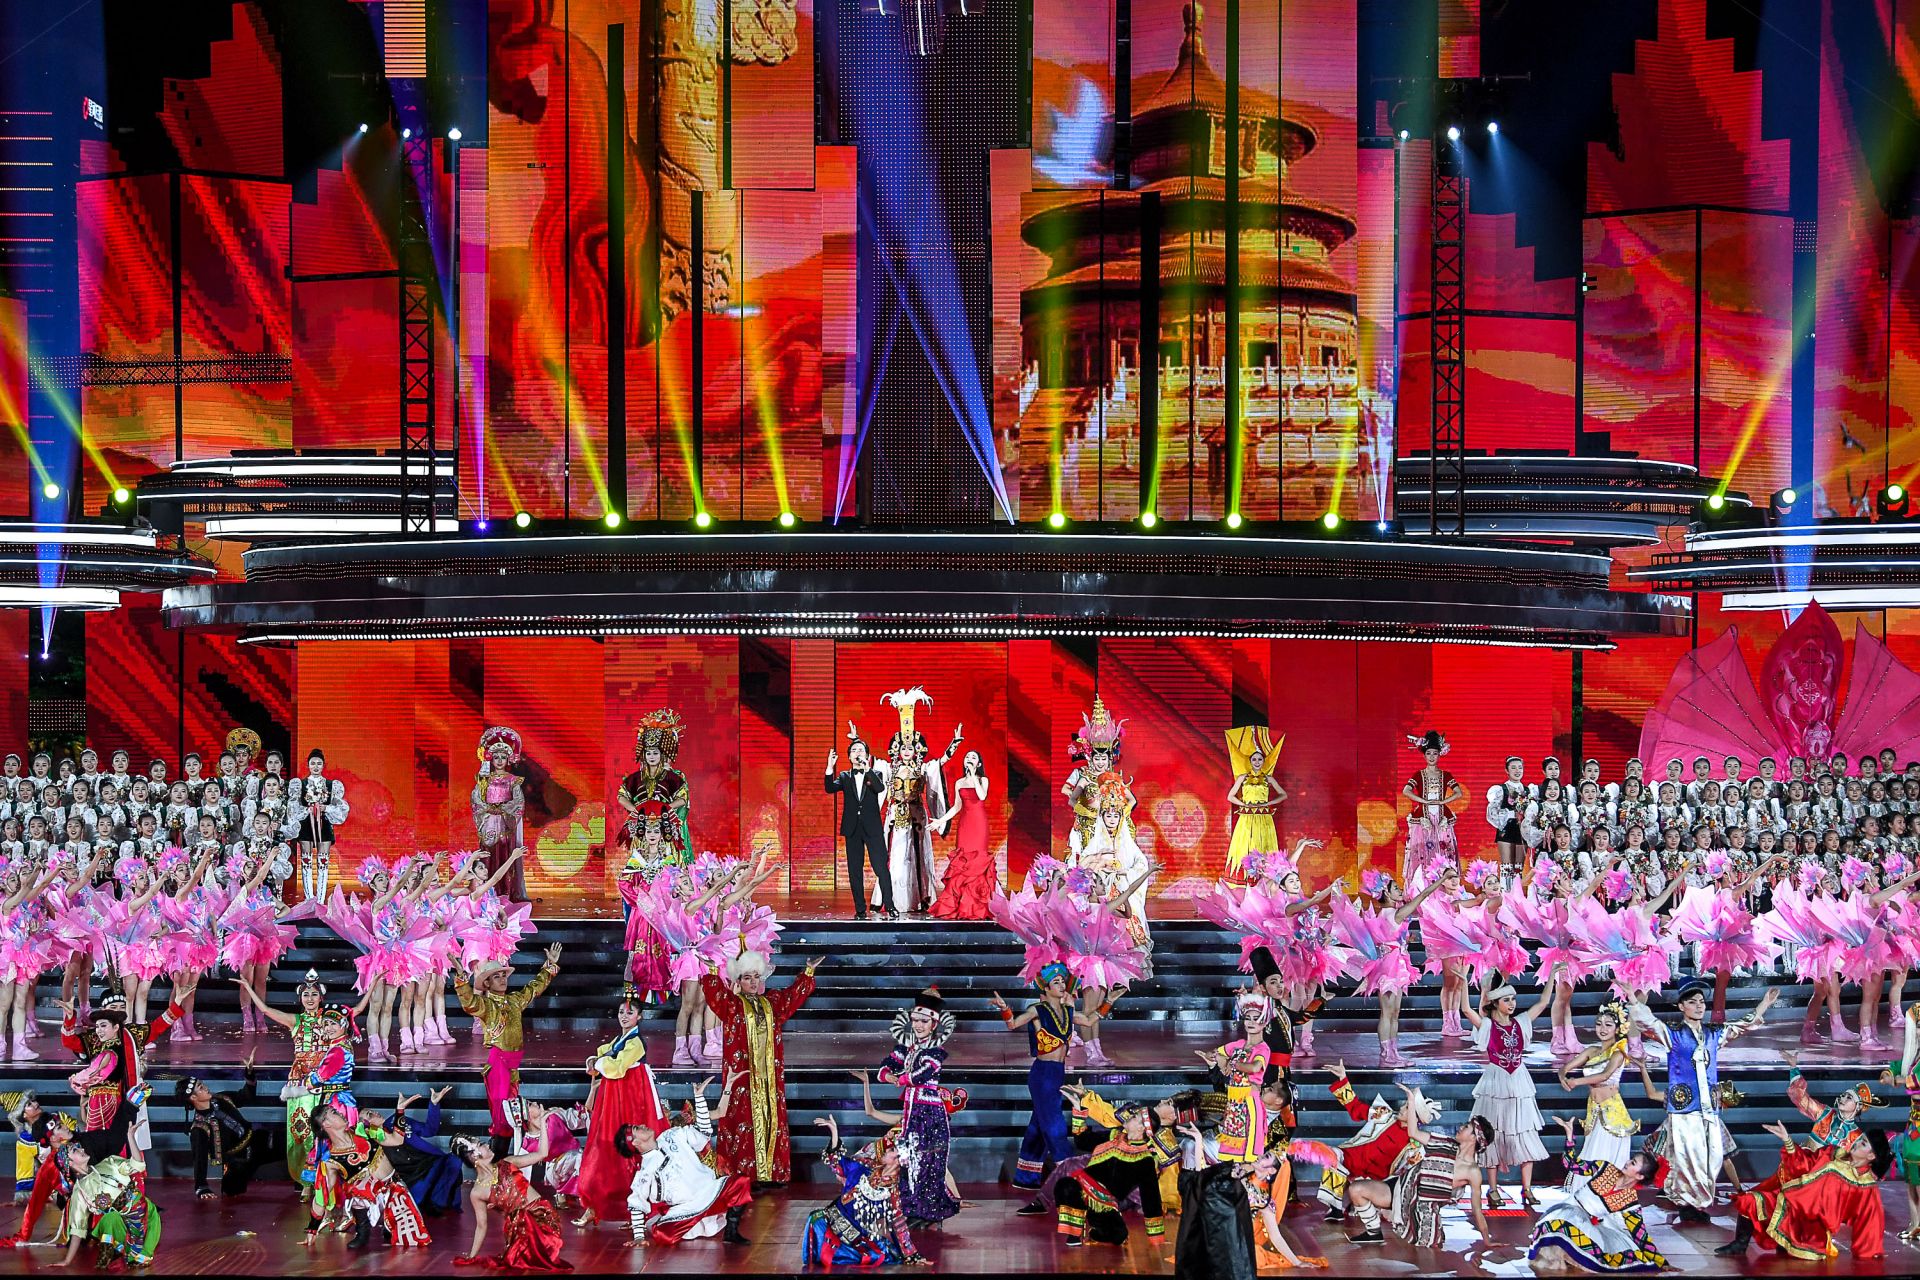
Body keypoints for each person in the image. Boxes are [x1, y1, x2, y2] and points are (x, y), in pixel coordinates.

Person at [1629, 978, 1779, 1221]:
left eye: (1701, 1002)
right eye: (1692, 1002)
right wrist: (1634, 1001)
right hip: (1684, 1109)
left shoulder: (1713, 1034)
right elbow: (1649, 1023)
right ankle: (1689, 1204)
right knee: (1687, 1159)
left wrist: (1764, 1004)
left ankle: (1699, 1201)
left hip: (1709, 1108)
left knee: (1713, 1158)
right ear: (1681, 1006)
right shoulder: (1673, 1034)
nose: (1699, 1006)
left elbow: (1740, 1026)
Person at [700, 947, 821, 1185]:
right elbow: (715, 994)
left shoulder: (771, 1003)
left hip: (769, 1077)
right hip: (743, 1076)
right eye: (748, 978)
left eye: (756, 977)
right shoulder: (732, 1005)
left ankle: (771, 1173)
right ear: (738, 980)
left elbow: (792, 997)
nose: (753, 982)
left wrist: (808, 972)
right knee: (741, 1121)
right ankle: (743, 1176)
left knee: (771, 1120)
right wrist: (712, 971)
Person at [990, 962, 1105, 1190]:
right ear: (1046, 988)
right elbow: (1013, 1024)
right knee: (1055, 1126)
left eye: (1062, 981)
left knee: (1038, 1125)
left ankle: (1026, 1177)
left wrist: (1110, 1000)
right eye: (1056, 982)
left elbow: (1090, 1020)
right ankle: (1072, 1175)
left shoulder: (1067, 1011)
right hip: (1042, 1075)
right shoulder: (1037, 1010)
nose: (1061, 985)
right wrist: (1004, 1008)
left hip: (1057, 1073)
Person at [1716, 1120, 1890, 1259]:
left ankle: (1785, 1244)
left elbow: (1871, 1219)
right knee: (1749, 1200)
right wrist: (1787, 1140)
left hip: (1811, 1229)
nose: (1856, 1143)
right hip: (1789, 1203)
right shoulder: (1832, 1153)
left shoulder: (1863, 1185)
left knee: (1787, 1262)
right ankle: (1740, 1245)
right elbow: (1804, 1165)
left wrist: (1868, 1251)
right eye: (1859, 1139)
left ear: (1871, 1155)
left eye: (1863, 1143)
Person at [1345, 1090, 1493, 1249]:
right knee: (1356, 1189)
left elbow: (1477, 1209)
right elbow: (1413, 1132)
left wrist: (1487, 1240)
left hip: (1424, 1210)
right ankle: (1374, 1232)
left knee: (1425, 1253)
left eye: (1466, 1127)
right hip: (1400, 1190)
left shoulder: (1472, 1171)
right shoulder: (1444, 1142)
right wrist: (1411, 1100)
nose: (1461, 1127)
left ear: (1474, 1137)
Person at [619, 1073, 752, 1246]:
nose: (643, 1125)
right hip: (686, 1208)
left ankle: (731, 1232)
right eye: (637, 1129)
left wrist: (699, 1097)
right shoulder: (645, 1170)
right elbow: (637, 1201)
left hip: (709, 1190)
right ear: (635, 1143)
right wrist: (639, 1236)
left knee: (741, 1183)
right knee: (662, 1235)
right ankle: (690, 1224)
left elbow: (703, 1132)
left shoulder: (671, 1134)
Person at [575, 987, 668, 1228]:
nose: (624, 1016)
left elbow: (617, 1067)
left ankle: (636, 1209)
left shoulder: (635, 1043)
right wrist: (594, 1061)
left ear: (640, 1016)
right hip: (615, 1096)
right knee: (605, 1144)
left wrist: (598, 1062)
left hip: (631, 1098)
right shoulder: (620, 1041)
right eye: (621, 1012)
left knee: (630, 1149)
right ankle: (597, 1204)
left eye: (630, 1012)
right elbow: (604, 1054)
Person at [1527, 1117, 1667, 1274]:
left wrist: (1661, 1262)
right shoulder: (1605, 1168)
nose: (1627, 1162)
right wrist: (1569, 1136)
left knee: (1606, 1256)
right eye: (1631, 1159)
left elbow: (1640, 1235)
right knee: (1558, 1227)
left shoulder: (1630, 1200)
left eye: (1633, 1163)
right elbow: (1571, 1164)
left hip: (1591, 1223)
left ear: (1640, 1176)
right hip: (1569, 1210)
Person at [1462, 971, 1554, 1208]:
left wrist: (1552, 973)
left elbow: (1543, 1002)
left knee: (1523, 1131)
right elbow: (1466, 1010)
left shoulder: (1521, 1022)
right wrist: (1463, 981)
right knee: (1493, 1133)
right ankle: (1493, 1190)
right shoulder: (1488, 1025)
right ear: (1495, 1003)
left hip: (1519, 1081)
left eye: (1513, 999)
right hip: (1496, 1080)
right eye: (1506, 1000)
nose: (1512, 1004)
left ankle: (1527, 1188)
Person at [454, 942, 563, 1136]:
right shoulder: (486, 1005)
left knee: (513, 1115)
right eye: (496, 976)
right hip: (498, 1065)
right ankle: (498, 1150)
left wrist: (550, 966)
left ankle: (508, 1148)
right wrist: (462, 980)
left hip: (513, 1066)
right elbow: (469, 1002)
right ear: (487, 983)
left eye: (503, 975)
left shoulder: (514, 1000)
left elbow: (534, 988)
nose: (502, 979)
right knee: (502, 1116)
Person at [874, 985, 962, 1224]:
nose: (918, 1025)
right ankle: (913, 1209)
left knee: (928, 1163)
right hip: (911, 1112)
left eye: (924, 1021)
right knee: (908, 1160)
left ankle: (930, 1212)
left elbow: (921, 1075)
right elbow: (885, 1067)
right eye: (915, 1020)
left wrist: (900, 1079)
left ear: (934, 1024)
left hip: (930, 1114)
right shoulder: (908, 1048)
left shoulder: (935, 1051)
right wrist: (888, 1075)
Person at [802, 1115, 929, 1266]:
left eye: (893, 1150)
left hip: (855, 1238)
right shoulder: (864, 1167)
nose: (887, 1150)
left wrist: (912, 1256)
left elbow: (899, 1226)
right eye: (891, 1148)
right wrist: (834, 1132)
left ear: (900, 1159)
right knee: (815, 1220)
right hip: (830, 1222)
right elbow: (837, 1163)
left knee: (876, 1255)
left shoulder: (893, 1192)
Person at [1053, 1092, 1169, 1249]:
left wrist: (1156, 1236)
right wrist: (1077, 1108)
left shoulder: (1146, 1159)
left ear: (1141, 1127)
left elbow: (1151, 1197)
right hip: (1081, 1188)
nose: (1129, 1117)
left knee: (1118, 1235)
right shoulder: (1114, 1136)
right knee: (1066, 1186)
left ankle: (1099, 1227)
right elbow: (1083, 1141)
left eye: (1134, 1117)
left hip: (1105, 1203)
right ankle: (1074, 1234)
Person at [453, 1126, 572, 1271]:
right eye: (481, 1145)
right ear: (474, 1157)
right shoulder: (477, 1192)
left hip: (542, 1218)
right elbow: (481, 1226)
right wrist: (472, 1256)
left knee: (525, 1258)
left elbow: (542, 1154)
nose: (488, 1145)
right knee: (515, 1262)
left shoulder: (507, 1163)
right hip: (519, 1229)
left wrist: (542, 1123)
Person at [1312, 1060, 1412, 1221]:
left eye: (1407, 1108)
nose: (1401, 1108)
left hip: (1377, 1177)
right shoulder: (1385, 1115)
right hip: (1352, 1159)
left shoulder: (1414, 1143)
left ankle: (1352, 1204)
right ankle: (1336, 1207)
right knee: (1332, 1154)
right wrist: (1343, 1078)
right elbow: (1356, 1107)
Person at [54, 1128, 159, 1269]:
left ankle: (129, 1252)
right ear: (70, 1163)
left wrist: (130, 1137)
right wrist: (67, 1261)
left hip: (146, 1214)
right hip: (122, 1225)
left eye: (78, 1147)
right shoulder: (80, 1192)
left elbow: (137, 1165)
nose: (81, 1149)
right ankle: (118, 1252)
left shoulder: (109, 1163)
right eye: (75, 1150)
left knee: (140, 1257)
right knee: (109, 1220)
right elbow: (78, 1229)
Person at [179, 1053, 277, 1199]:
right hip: (239, 1159)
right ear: (193, 1097)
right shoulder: (199, 1128)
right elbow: (199, 1159)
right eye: (200, 1088)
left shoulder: (221, 1098)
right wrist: (201, 1187)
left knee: (290, 1144)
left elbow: (245, 1097)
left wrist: (249, 1073)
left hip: (257, 1141)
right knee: (231, 1189)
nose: (206, 1088)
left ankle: (304, 1184)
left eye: (202, 1084)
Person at [826, 732, 892, 919]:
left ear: (867, 755)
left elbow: (879, 788)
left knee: (880, 867)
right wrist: (830, 767)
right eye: (854, 750)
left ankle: (890, 905)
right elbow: (829, 788)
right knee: (855, 870)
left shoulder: (875, 774)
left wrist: (867, 768)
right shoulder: (844, 776)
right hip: (852, 829)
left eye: (861, 750)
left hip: (872, 828)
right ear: (849, 756)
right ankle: (860, 909)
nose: (857, 753)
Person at [375, 1089, 465, 1216]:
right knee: (416, 1202)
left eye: (372, 1111)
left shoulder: (395, 1120)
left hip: (428, 1161)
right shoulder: (372, 1141)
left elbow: (429, 1130)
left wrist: (434, 1105)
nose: (375, 1113)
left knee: (454, 1161)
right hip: (408, 1175)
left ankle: (438, 1203)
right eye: (369, 1115)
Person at [929, 750, 996, 919]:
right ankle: (961, 906)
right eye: (967, 757)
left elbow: (982, 796)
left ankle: (977, 908)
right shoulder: (959, 782)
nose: (969, 759)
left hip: (979, 824)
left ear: (978, 764)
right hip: (965, 824)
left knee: (977, 859)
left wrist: (973, 776)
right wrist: (940, 821)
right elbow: (956, 807)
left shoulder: (983, 780)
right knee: (963, 861)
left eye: (973, 757)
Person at [472, 727, 529, 901]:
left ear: (508, 759)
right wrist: (487, 809)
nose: (499, 761)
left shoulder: (512, 780)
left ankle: (506, 892)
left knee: (505, 855)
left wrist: (503, 809)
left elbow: (518, 802)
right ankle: (487, 892)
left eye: (503, 757)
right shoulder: (484, 779)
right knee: (487, 856)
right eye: (496, 757)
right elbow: (476, 799)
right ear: (491, 758)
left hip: (505, 824)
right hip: (488, 822)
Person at [1223, 726, 1285, 883]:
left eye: (1260, 759)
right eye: (1254, 759)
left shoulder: (1268, 778)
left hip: (1264, 818)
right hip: (1247, 818)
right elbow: (1230, 796)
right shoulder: (1242, 778)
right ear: (1250, 762)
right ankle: (1245, 878)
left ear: (1263, 762)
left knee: (1265, 844)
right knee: (1245, 845)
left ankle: (1266, 879)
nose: (1257, 762)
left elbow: (1283, 795)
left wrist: (1269, 802)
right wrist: (1244, 804)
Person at [288, 748, 348, 901]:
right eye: (313, 763)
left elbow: (340, 808)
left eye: (319, 763)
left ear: (323, 765)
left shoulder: (331, 785)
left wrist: (325, 808)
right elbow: (293, 808)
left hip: (324, 825)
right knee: (306, 862)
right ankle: (309, 899)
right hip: (306, 825)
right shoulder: (300, 784)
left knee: (323, 862)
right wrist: (307, 810)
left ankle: (320, 900)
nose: (315, 766)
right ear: (308, 765)